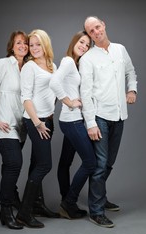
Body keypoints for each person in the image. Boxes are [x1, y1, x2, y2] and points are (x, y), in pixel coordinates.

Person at [79, 16, 137, 228]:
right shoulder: (88, 59)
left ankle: (100, 196)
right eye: (90, 31)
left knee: (109, 163)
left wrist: (131, 89)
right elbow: (85, 93)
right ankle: (96, 211)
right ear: (89, 35)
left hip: (120, 116)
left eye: (97, 27)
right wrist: (91, 123)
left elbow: (131, 72)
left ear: (103, 25)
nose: (95, 32)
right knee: (100, 164)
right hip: (100, 117)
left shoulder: (120, 50)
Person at [0, 30, 29, 229]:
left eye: (25, 43)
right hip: (4, 125)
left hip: (21, 127)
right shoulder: (2, 64)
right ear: (12, 46)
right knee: (14, 163)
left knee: (9, 165)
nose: (23, 46)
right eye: (19, 42)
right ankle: (5, 209)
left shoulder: (27, 68)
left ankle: (14, 198)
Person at [50, 31, 96, 219]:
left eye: (87, 45)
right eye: (82, 42)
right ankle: (69, 202)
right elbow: (54, 82)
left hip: (69, 121)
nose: (84, 46)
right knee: (91, 162)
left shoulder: (75, 64)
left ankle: (65, 202)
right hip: (72, 120)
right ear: (74, 41)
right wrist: (68, 102)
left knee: (65, 163)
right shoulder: (69, 61)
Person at [16, 29, 59, 229]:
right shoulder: (29, 67)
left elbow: (56, 91)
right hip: (35, 121)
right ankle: (24, 213)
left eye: (37, 44)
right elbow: (25, 98)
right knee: (44, 165)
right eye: (31, 45)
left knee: (36, 164)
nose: (33, 48)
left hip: (48, 120)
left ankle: (38, 205)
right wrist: (37, 122)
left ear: (45, 45)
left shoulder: (53, 66)